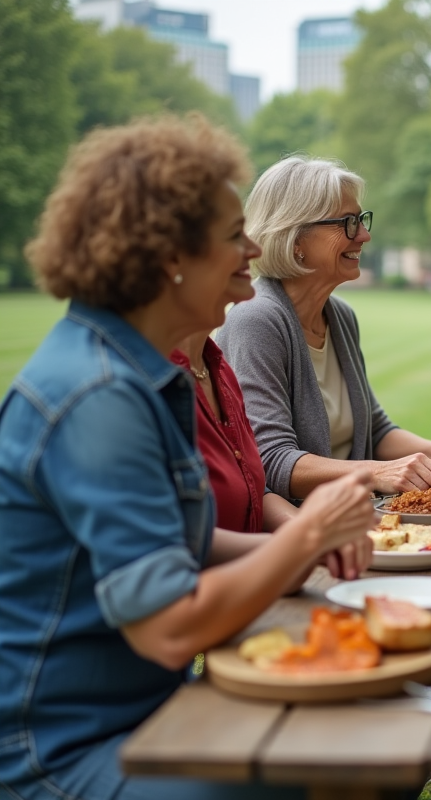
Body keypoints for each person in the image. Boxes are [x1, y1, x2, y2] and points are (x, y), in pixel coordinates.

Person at [0, 115, 375, 800]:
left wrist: (304, 545)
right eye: (233, 236)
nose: (255, 248)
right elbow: (172, 629)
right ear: (169, 253)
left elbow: (183, 542)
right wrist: (310, 535)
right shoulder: (99, 396)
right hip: (61, 751)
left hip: (141, 715)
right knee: (322, 769)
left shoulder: (137, 372)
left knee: (352, 734)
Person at [216, 155, 431, 500]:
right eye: (348, 222)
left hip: (354, 520)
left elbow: (374, 431)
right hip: (296, 536)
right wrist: (377, 472)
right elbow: (271, 461)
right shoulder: (255, 320)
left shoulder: (340, 317)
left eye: (361, 219)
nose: (364, 235)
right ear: (295, 238)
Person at [171, 331, 371, 580]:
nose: (248, 295)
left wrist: (310, 533)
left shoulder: (217, 367)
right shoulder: (142, 383)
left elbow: (253, 491)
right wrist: (302, 538)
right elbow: (169, 547)